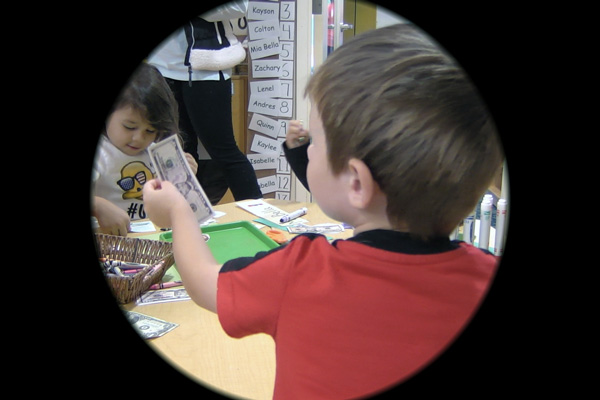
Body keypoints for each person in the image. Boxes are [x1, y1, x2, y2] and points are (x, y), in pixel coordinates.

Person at [142, 24, 503, 399]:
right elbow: (350, 199)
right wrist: (301, 153)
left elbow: (204, 282)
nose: (309, 149)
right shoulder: (484, 275)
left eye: (315, 141)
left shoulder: (302, 271)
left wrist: (179, 212)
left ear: (357, 183)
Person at [147, 0, 262, 203]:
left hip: (207, 70)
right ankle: (185, 219)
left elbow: (240, 7)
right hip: (159, 68)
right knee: (177, 153)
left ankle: (260, 217)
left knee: (223, 150)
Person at [92, 63, 197, 236]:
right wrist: (98, 206)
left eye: (150, 131)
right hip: (111, 241)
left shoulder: (157, 149)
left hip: (153, 237)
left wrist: (183, 176)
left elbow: (172, 202)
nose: (139, 138)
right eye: (129, 126)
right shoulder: (102, 153)